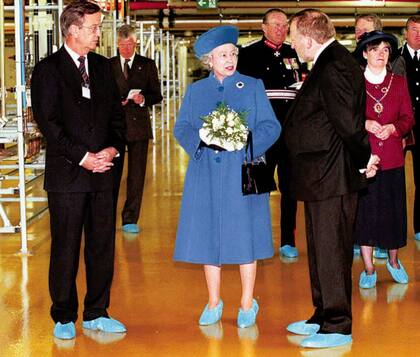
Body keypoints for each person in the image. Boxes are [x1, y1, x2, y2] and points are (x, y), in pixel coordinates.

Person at [283, 9, 379, 348]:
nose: (292, 45)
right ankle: (322, 314)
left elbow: (349, 126)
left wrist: (365, 159)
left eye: (294, 38)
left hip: (332, 175)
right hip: (318, 176)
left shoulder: (335, 65)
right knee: (320, 249)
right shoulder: (328, 62)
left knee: (332, 250)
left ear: (309, 39)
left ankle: (338, 325)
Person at [30, 0, 126, 340]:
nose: (99, 33)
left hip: (104, 173)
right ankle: (64, 315)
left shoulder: (102, 67)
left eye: (99, 27)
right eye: (94, 28)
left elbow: (117, 116)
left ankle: (97, 311)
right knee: (66, 246)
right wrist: (84, 156)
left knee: (102, 245)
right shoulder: (48, 70)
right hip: (69, 174)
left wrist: (112, 149)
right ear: (72, 30)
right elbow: (50, 124)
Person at [173, 25, 280, 329]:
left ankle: (247, 302)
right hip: (205, 175)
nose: (230, 59)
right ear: (209, 60)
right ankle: (213, 301)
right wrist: (202, 138)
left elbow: (271, 127)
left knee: (246, 239)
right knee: (210, 239)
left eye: (233, 53)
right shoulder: (196, 92)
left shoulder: (253, 85)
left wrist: (246, 143)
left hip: (242, 175)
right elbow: (182, 128)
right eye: (223, 55)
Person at [237, 8, 305, 259]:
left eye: (284, 25)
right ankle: (257, 237)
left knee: (290, 188)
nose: (280, 29)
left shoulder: (295, 53)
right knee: (258, 187)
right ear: (263, 27)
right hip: (261, 134)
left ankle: (288, 239)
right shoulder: (248, 55)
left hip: (290, 134)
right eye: (275, 25)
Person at [353, 31, 414, 289]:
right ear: (365, 53)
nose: (380, 53)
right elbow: (347, 117)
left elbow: (408, 117)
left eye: (386, 49)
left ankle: (394, 261)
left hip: (392, 158)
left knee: (393, 212)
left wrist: (393, 129)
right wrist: (365, 123)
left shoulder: (398, 82)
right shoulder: (354, 82)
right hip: (364, 158)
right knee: (365, 214)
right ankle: (368, 267)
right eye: (375, 49)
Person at [110, 24, 163, 234]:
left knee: (136, 175)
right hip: (113, 128)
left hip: (139, 127)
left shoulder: (147, 65)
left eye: (129, 44)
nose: (126, 49)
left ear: (136, 43)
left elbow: (156, 94)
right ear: (116, 44)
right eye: (122, 45)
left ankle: (130, 218)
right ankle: (106, 216)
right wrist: (117, 103)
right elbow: (101, 95)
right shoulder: (107, 65)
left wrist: (143, 100)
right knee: (112, 174)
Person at [400, 16, 420, 241]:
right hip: (399, 127)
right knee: (395, 177)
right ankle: (395, 226)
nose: (418, 34)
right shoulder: (395, 57)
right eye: (414, 30)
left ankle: (419, 227)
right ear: (405, 33)